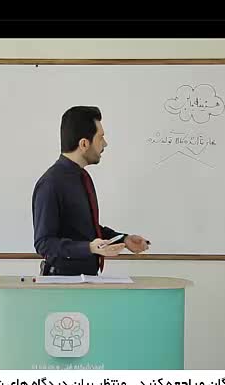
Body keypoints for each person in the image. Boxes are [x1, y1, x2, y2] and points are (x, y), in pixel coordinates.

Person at [32, 106, 150, 276]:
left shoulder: (83, 177)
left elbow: (86, 230)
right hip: (62, 283)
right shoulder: (50, 183)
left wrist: (123, 239)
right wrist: (88, 248)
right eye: (100, 138)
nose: (105, 144)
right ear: (84, 144)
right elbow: (44, 243)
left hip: (86, 280)